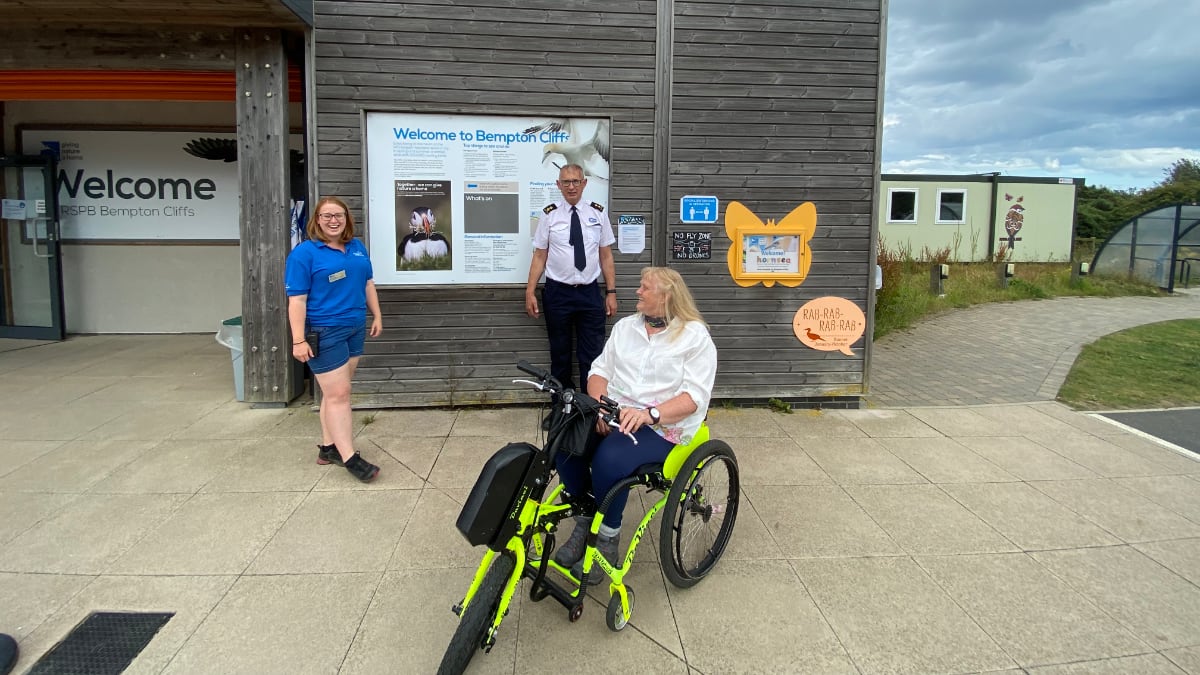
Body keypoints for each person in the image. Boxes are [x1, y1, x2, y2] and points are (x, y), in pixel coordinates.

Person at [552, 266, 717, 580]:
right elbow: (599, 371)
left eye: (644, 288)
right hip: (613, 412)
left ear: (667, 296)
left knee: (610, 459)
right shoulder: (626, 327)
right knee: (564, 437)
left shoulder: (695, 337)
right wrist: (601, 407)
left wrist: (649, 414)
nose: (637, 292)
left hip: (662, 424)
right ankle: (586, 517)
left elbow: (695, 396)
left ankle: (608, 539)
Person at [285, 196, 382, 482]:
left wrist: (377, 315)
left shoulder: (357, 247)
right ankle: (350, 457)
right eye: (326, 216)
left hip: (354, 327)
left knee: (334, 393)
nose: (333, 220)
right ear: (317, 220)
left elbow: (368, 283)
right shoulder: (305, 253)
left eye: (338, 215)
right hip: (325, 331)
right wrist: (298, 340)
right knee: (340, 395)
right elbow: (297, 300)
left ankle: (329, 448)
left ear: (346, 219)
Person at [525, 164, 619, 405]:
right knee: (560, 354)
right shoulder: (549, 214)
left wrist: (611, 292)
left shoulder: (597, 213)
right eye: (565, 182)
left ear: (584, 183)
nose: (571, 186)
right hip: (558, 293)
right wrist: (530, 290)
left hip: (589, 293)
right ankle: (562, 409)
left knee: (593, 355)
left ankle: (591, 409)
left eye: (575, 181)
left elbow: (606, 255)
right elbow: (539, 255)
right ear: (558, 185)